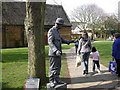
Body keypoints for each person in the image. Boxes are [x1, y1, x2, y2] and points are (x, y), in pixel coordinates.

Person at [48, 18, 74, 88]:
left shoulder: (57, 31)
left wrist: (70, 41)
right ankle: (51, 81)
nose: (62, 27)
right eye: (61, 25)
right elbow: (50, 42)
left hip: (58, 53)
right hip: (53, 53)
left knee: (58, 67)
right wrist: (55, 50)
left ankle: (57, 79)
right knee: (53, 67)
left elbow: (61, 40)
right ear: (58, 24)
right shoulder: (51, 31)